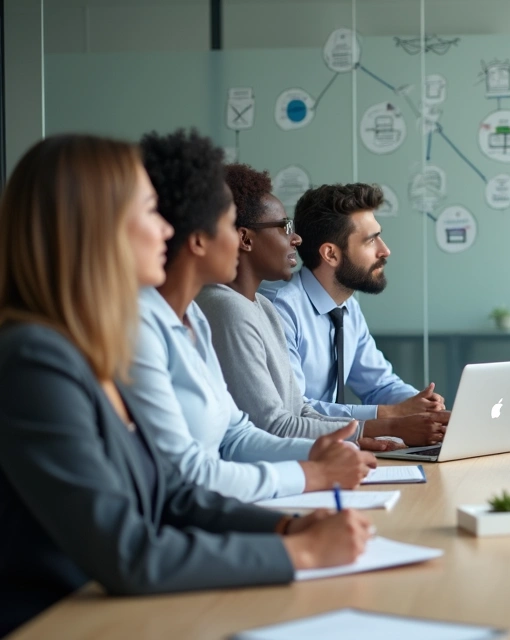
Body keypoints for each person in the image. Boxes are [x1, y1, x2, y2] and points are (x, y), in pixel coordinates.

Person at [0, 134, 371, 636]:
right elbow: (128, 551)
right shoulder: (34, 360)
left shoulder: (87, 347)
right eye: (151, 212)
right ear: (94, 229)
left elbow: (171, 493)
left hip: (128, 609)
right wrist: (299, 551)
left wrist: (286, 526)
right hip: (65, 621)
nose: (166, 230)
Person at [123, 129, 374, 502]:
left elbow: (237, 433)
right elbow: (187, 473)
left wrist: (326, 452)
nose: (294, 239)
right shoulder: (180, 316)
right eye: (229, 225)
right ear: (199, 239)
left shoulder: (194, 315)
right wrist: (311, 473)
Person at [196, 164, 448, 447]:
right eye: (284, 227)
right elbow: (275, 424)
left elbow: (304, 410)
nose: (295, 238)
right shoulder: (260, 308)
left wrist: (425, 413)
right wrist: (382, 425)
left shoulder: (265, 307)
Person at [261, 183, 444, 422]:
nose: (385, 250)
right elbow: (295, 408)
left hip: (340, 447)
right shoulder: (280, 309)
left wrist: (421, 404)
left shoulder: (347, 307)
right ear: (331, 254)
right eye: (371, 241)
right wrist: (388, 414)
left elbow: (379, 385)